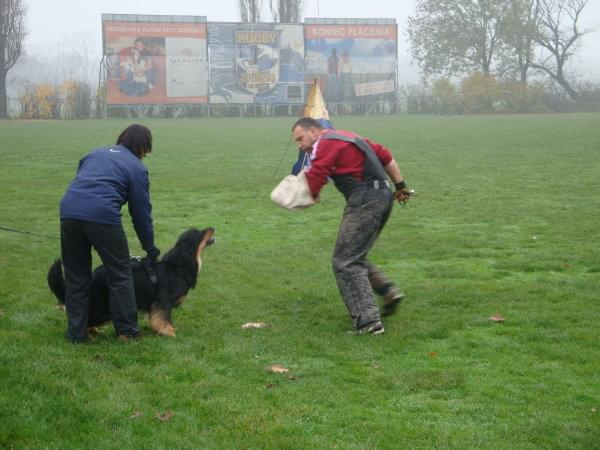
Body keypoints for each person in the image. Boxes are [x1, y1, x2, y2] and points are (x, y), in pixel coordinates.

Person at [290, 117, 411, 335]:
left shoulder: (323, 142)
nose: (300, 144)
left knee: (345, 261)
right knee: (354, 253)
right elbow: (385, 155)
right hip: (383, 196)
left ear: (315, 131)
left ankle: (368, 322)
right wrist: (400, 186)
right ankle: (387, 290)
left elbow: (317, 173)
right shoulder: (350, 137)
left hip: (365, 199)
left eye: (301, 138)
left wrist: (307, 196)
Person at [59, 124, 160, 343]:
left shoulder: (94, 154)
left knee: (77, 277)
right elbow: (141, 213)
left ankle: (76, 333)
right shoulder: (137, 167)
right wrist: (149, 247)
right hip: (103, 215)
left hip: (68, 210)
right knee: (120, 274)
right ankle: (127, 332)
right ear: (143, 147)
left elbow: (82, 183)